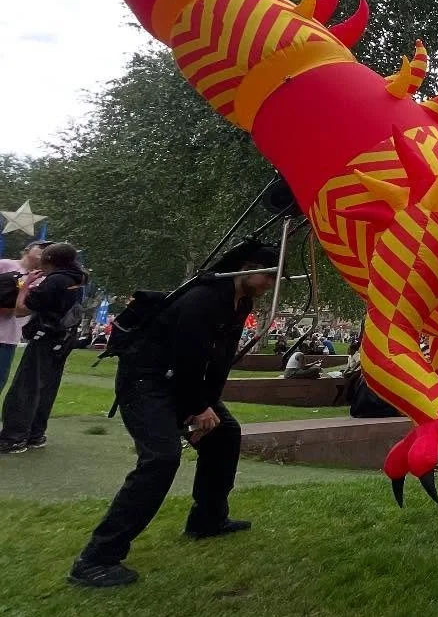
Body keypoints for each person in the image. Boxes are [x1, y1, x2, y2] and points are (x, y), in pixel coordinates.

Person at [69, 240, 280, 588]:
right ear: (245, 267)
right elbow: (187, 359)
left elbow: (219, 362)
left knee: (225, 434)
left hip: (177, 383)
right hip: (146, 382)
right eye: (267, 275)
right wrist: (196, 409)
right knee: (161, 459)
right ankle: (96, 559)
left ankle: (208, 519)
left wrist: (206, 408)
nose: (270, 284)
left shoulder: (240, 302)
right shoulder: (205, 298)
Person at [0, 242, 87, 454]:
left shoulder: (55, 281)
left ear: (50, 261)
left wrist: (27, 285)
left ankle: (14, 437)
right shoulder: (78, 279)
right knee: (46, 387)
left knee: (25, 388)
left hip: (45, 336)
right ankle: (35, 433)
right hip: (63, 338)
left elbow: (20, 311)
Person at [0, 241, 45, 394]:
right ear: (27, 250)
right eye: (41, 247)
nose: (44, 251)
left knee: (1, 378)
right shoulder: (5, 264)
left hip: (9, 336)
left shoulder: (42, 279)